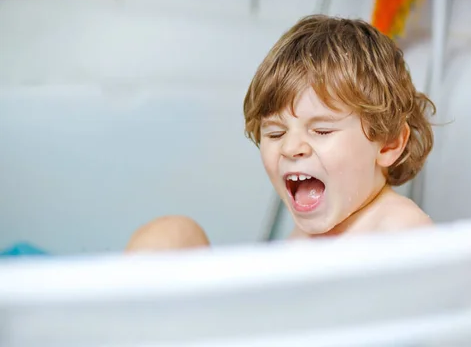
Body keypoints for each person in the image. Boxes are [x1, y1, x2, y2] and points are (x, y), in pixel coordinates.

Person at [125, 15, 434, 252]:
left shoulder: (400, 230)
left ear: (389, 143)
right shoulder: (305, 239)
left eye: (322, 130)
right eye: (274, 133)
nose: (291, 147)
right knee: (170, 235)